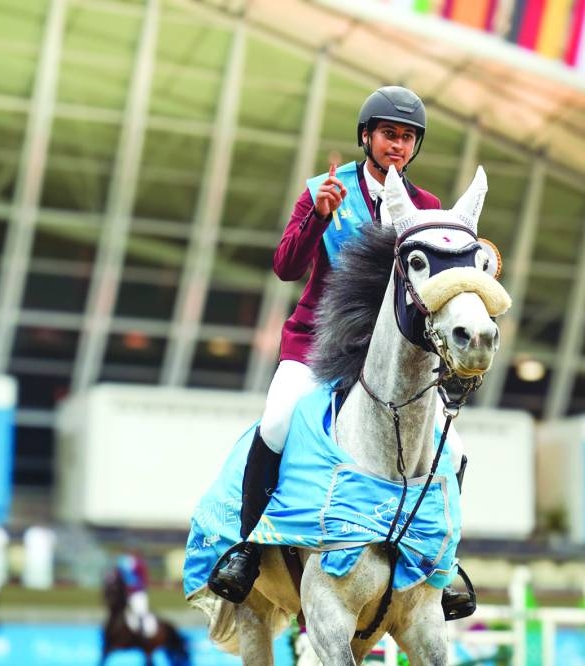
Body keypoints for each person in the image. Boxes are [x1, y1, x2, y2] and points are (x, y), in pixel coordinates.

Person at [208, 85, 474, 619]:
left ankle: (443, 563)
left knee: (456, 449)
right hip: (318, 340)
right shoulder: (324, 191)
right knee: (278, 422)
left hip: (393, 356)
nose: (397, 146)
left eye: (407, 138)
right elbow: (285, 267)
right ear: (367, 137)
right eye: (389, 135)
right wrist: (319, 218)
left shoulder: (427, 209)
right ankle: (249, 548)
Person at [115, 550, 158, 638]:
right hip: (128, 593)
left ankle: (142, 635)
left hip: (137, 593)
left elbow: (143, 580)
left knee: (140, 613)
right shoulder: (125, 563)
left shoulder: (136, 564)